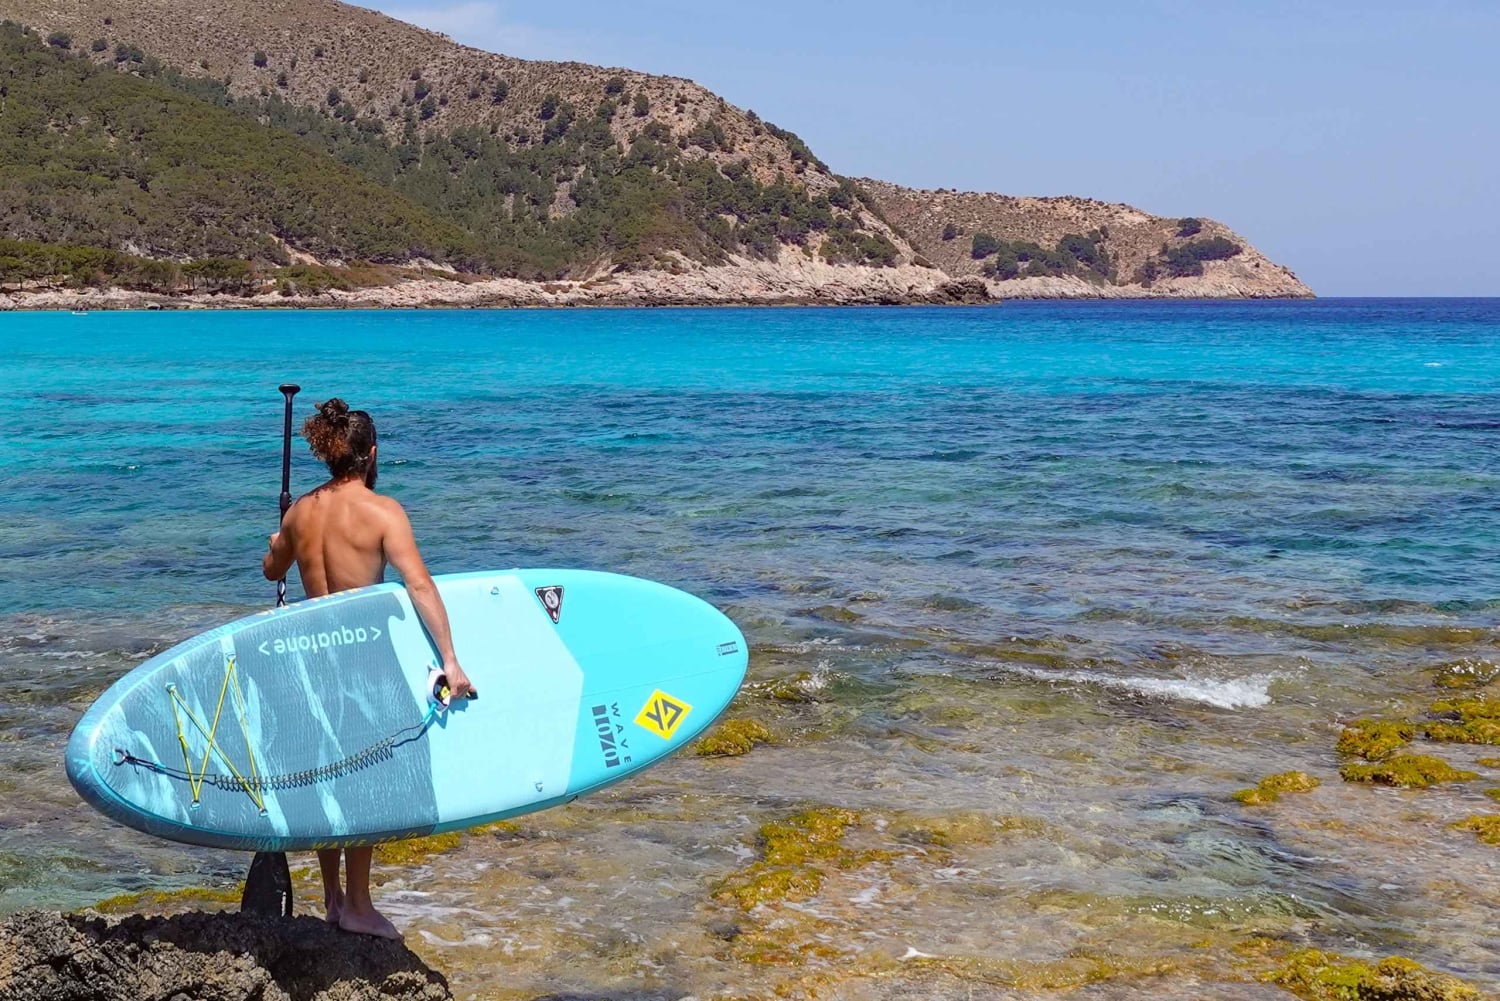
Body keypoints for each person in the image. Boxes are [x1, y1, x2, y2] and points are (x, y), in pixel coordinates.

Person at [261, 397, 474, 940]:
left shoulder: (299, 512)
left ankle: (333, 898)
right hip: (361, 663)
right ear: (371, 454)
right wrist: (450, 660)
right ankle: (358, 903)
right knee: (366, 779)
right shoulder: (383, 512)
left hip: (311, 663)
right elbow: (419, 586)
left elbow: (272, 571)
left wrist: (277, 543)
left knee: (328, 772)